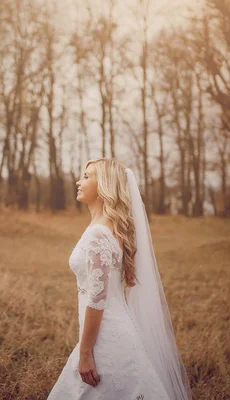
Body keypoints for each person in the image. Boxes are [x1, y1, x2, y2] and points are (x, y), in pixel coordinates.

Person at [47, 158, 193, 400]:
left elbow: (97, 300)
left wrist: (84, 353)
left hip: (105, 337)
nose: (78, 181)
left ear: (104, 185)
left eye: (86, 176)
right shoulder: (105, 227)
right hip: (111, 330)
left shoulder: (98, 234)